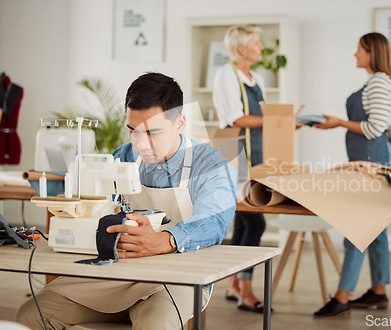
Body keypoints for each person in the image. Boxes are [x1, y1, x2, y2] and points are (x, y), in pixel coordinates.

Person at [15, 72, 237, 329]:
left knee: (155, 324)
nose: (141, 144)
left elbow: (214, 221)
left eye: (152, 132)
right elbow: (98, 205)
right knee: (30, 315)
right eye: (133, 131)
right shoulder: (123, 156)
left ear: (180, 124)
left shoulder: (209, 163)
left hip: (176, 280)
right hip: (117, 273)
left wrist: (165, 239)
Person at [312, 32, 391, 318]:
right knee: (375, 232)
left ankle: (342, 295)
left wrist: (339, 123)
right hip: (367, 163)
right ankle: (378, 291)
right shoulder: (375, 82)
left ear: (372, 52)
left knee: (356, 227)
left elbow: (374, 129)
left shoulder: (380, 83)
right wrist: (337, 124)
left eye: (359, 49)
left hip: (374, 166)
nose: (355, 54)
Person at [211, 24, 269, 314]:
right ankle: (245, 289)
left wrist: (285, 121)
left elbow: (265, 116)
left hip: (256, 154)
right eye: (257, 43)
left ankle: (235, 284)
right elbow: (235, 119)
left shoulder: (256, 77)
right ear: (242, 48)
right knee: (256, 222)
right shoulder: (225, 75)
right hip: (234, 153)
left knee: (246, 221)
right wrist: (277, 121)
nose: (261, 47)